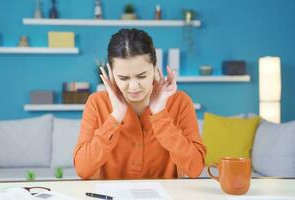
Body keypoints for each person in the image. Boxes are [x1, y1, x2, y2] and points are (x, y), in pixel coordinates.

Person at [73, 28, 206, 179]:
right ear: (110, 72)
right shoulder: (96, 103)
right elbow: (83, 169)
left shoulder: (180, 102)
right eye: (123, 78)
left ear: (155, 68)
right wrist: (116, 117)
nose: (134, 86)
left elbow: (195, 168)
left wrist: (160, 115)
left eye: (142, 76)